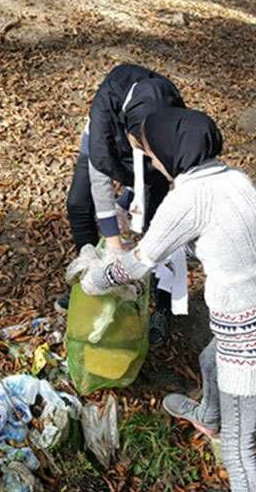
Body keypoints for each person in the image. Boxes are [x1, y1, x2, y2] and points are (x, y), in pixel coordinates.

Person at [80, 108, 256, 492]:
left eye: (152, 153)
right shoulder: (236, 178)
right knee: (208, 360)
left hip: (245, 330)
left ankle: (224, 437)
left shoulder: (188, 199)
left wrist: (97, 279)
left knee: (238, 449)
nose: (151, 161)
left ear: (170, 151)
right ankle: (207, 415)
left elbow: (136, 266)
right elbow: (221, 240)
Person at [64, 63, 185, 344]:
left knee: (158, 231)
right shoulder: (105, 112)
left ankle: (162, 307)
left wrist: (126, 200)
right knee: (78, 205)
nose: (143, 149)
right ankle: (90, 281)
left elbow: (155, 172)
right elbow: (99, 176)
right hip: (108, 143)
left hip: (151, 165)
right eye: (139, 143)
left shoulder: (170, 114)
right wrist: (113, 245)